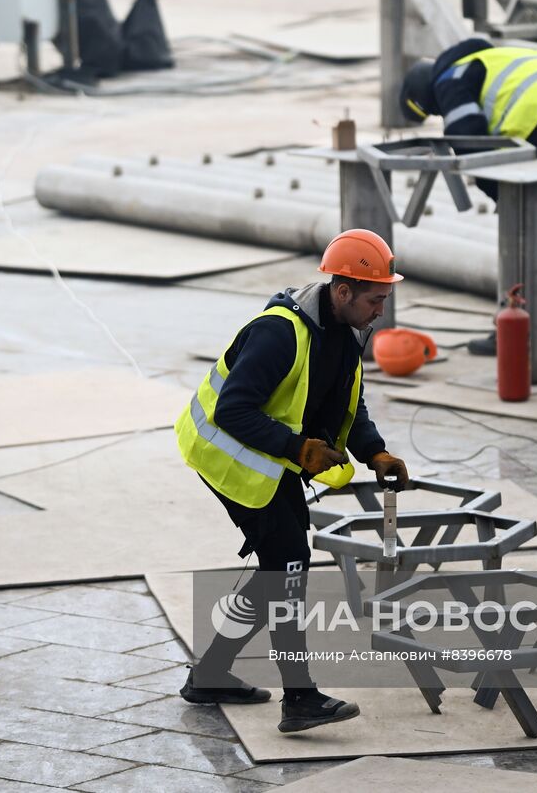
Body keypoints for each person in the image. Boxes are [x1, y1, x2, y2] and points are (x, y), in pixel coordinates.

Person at [174, 228, 411, 734]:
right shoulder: (279, 332)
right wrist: (297, 447)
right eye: (376, 299)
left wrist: (374, 451)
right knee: (286, 567)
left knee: (282, 566)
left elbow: (345, 403)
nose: (381, 310)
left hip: (267, 457)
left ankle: (212, 674)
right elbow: (234, 409)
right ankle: (299, 697)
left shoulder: (345, 335)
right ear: (342, 291)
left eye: (385, 299)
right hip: (228, 453)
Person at [399, 39, 537, 355]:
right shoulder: (492, 57)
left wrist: (505, 197)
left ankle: (525, 330)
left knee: (530, 224)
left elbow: (470, 141)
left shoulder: (449, 79)